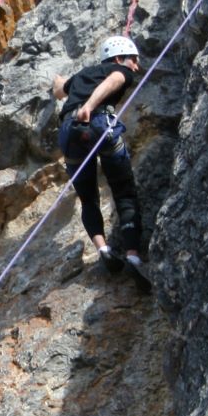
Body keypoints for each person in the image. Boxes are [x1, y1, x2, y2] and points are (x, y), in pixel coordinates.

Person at [51, 36, 149, 289]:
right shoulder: (120, 70)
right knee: (124, 192)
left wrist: (58, 81)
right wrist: (90, 105)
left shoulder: (84, 75)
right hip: (97, 123)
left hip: (68, 131)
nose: (135, 67)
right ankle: (133, 255)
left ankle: (103, 248)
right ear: (118, 59)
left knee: (88, 197)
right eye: (133, 61)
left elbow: (60, 90)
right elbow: (115, 80)